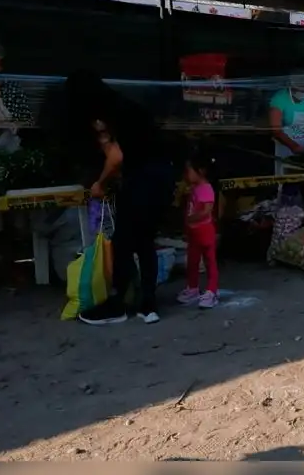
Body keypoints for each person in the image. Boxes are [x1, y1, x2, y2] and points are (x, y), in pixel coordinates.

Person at [64, 70, 177, 326]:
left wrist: (100, 183)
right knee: (145, 240)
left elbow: (116, 157)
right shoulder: (125, 105)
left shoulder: (102, 114)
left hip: (143, 178)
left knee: (122, 242)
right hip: (163, 175)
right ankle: (148, 305)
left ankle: (118, 304)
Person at [176, 148, 220, 309]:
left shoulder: (206, 188)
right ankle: (193, 287)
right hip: (193, 232)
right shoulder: (193, 188)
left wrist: (192, 218)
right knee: (192, 261)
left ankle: (211, 291)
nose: (186, 175)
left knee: (209, 261)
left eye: (189, 171)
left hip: (204, 230)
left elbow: (206, 210)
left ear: (200, 171)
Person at [269, 70, 304, 176]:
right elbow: (276, 130)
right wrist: (293, 146)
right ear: (292, 86)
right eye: (301, 90)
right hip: (285, 145)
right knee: (285, 176)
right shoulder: (279, 98)